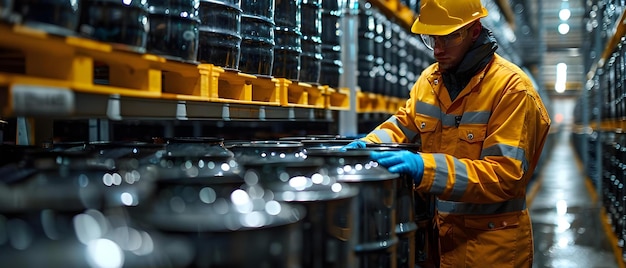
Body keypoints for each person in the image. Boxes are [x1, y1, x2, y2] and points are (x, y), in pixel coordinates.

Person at [344, 0, 551, 267]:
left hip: (489, 248)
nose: (437, 50)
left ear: (474, 30)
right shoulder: (430, 81)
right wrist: (365, 147)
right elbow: (402, 126)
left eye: (447, 38)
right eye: (432, 39)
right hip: (438, 243)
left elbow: (505, 176)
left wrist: (425, 168)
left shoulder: (511, 90)